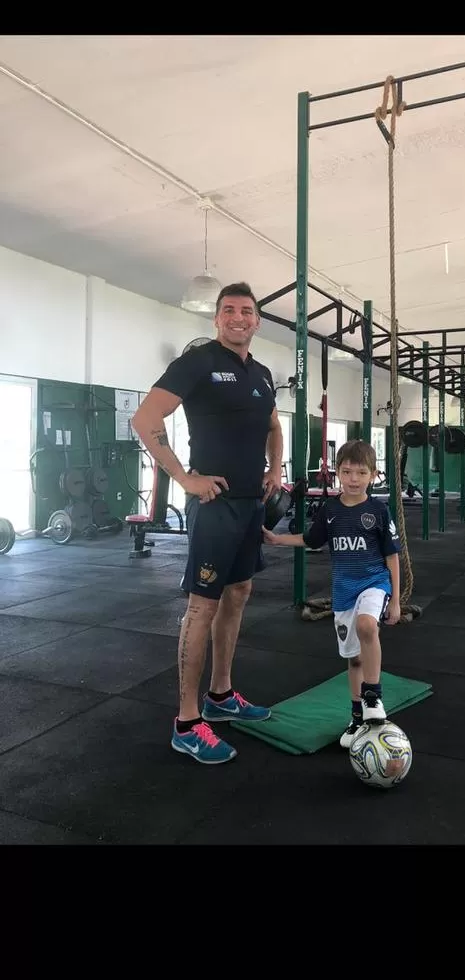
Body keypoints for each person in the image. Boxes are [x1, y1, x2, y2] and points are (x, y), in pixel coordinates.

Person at [131, 282, 283, 766]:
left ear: (257, 321)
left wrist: (275, 469)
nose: (239, 317)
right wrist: (185, 478)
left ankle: (221, 695)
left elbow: (274, 427)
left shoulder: (260, 374)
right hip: (214, 504)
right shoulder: (197, 363)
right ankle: (187, 721)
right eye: (229, 310)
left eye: (247, 311)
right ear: (217, 319)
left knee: (239, 595)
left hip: (250, 503)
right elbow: (145, 418)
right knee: (202, 607)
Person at [263, 439, 401, 749]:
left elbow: (392, 556)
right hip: (343, 592)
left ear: (373, 475)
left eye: (361, 473)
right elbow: (311, 540)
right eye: (347, 472)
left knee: (368, 626)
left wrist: (395, 600)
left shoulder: (378, 510)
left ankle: (373, 697)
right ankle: (356, 718)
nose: (354, 479)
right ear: (337, 473)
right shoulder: (331, 510)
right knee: (353, 661)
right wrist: (277, 540)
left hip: (374, 583)